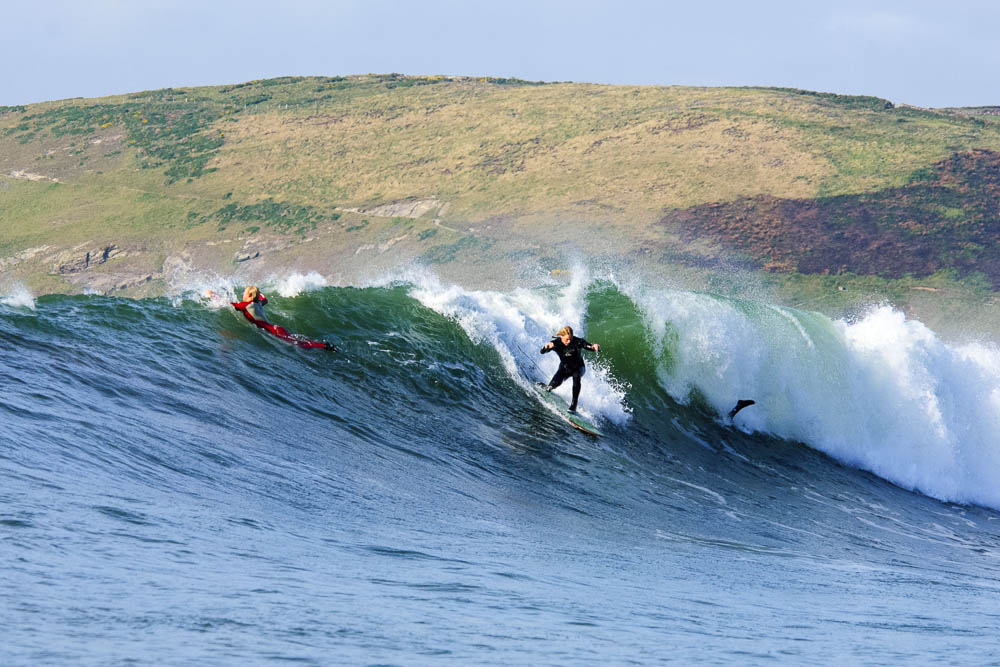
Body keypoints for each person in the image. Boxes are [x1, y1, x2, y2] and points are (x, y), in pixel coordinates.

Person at [231, 285, 336, 350]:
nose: (243, 295)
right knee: (299, 340)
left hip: (274, 332)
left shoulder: (246, 305)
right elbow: (265, 299)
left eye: (244, 293)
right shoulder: (257, 303)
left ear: (249, 295)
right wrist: (259, 293)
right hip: (277, 329)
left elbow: (231, 305)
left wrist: (214, 295)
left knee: (301, 344)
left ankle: (324, 346)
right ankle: (323, 345)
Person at [539, 325, 600, 412]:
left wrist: (594, 346)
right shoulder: (556, 343)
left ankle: (574, 404)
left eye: (570, 339)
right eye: (567, 339)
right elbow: (542, 352)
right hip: (564, 368)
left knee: (576, 376)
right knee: (552, 386)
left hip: (579, 367)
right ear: (561, 336)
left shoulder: (577, 341)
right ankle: (548, 387)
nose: (569, 341)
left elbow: (587, 345)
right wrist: (546, 347)